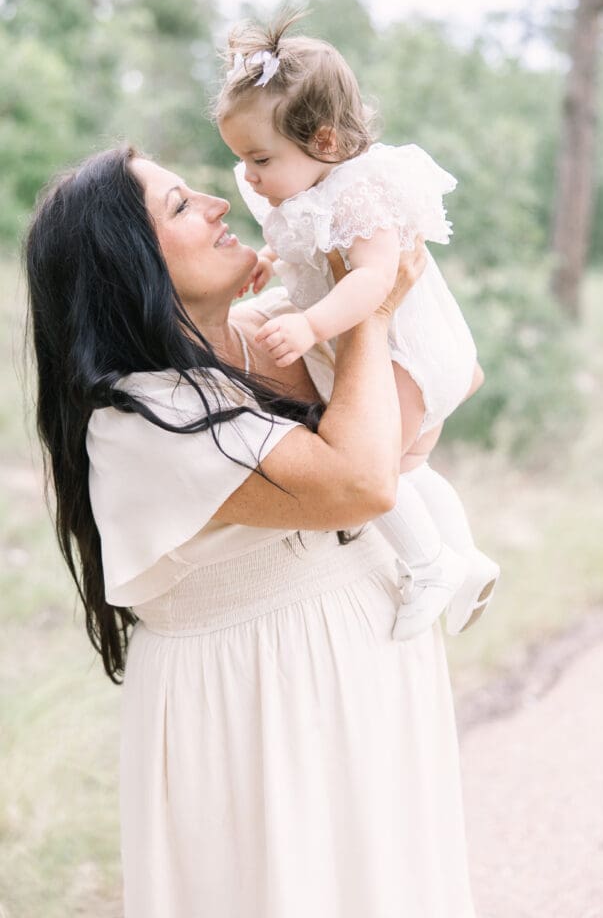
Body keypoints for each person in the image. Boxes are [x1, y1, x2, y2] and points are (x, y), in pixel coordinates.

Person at [25, 145, 478, 917]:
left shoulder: (268, 326)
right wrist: (365, 310)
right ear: (126, 265)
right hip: (259, 698)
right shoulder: (147, 415)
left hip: (368, 665)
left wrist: (352, 270)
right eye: (179, 207)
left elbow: (449, 382)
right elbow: (363, 482)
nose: (216, 203)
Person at [214, 14, 499, 642]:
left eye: (260, 159)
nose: (251, 177)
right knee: (413, 468)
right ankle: (466, 557)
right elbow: (315, 261)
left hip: (406, 351)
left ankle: (430, 568)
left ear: (323, 141)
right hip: (390, 351)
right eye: (241, 160)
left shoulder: (357, 194)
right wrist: (269, 262)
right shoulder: (305, 194)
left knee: (376, 469)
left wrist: (310, 322)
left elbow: (374, 279)